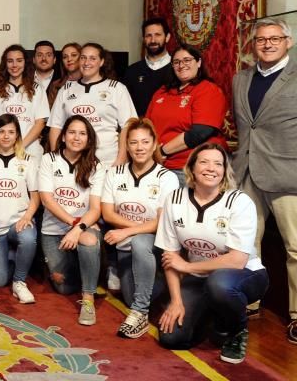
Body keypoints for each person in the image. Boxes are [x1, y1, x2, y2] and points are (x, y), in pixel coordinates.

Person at [157, 143, 268, 364]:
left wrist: (187, 267)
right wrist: (176, 301)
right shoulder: (175, 199)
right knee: (172, 338)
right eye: (204, 162)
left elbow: (237, 261)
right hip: (201, 278)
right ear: (192, 168)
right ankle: (214, 315)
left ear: (225, 170)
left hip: (244, 275)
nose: (211, 168)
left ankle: (237, 331)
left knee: (220, 283)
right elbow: (170, 256)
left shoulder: (239, 201)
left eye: (218, 163)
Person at [232, 18, 297, 342]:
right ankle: (250, 300)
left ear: (288, 42)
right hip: (246, 172)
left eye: (275, 38)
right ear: (253, 45)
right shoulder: (240, 79)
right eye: (261, 39)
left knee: (296, 248)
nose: (267, 44)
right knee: (246, 243)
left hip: (288, 175)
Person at [101, 118, 179, 338]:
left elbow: (162, 223)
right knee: (129, 295)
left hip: (153, 244)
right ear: (126, 146)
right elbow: (108, 213)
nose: (139, 147)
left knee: (140, 240)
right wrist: (138, 226)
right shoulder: (115, 174)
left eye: (145, 142)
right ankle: (163, 283)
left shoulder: (167, 178)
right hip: (125, 248)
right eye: (133, 142)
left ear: (154, 144)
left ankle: (140, 313)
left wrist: (128, 231)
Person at [39, 115, 105, 325]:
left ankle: (88, 298)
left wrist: (78, 229)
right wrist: (73, 224)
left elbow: (95, 209)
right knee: (63, 286)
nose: (77, 137)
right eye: (72, 132)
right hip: (54, 229)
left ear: (89, 139)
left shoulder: (96, 166)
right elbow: (47, 201)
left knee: (88, 241)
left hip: (83, 227)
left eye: (82, 133)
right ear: (64, 136)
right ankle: (89, 268)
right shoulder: (49, 159)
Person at [0, 114, 40, 303]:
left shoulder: (28, 161)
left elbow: (36, 197)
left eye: (11, 132)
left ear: (17, 136)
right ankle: (12, 256)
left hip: (17, 223)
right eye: (2, 131)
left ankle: (20, 282)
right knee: (0, 280)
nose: (6, 136)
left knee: (28, 237)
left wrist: (27, 217)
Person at [146, 45, 227, 185]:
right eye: (176, 62)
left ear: (199, 62)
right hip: (158, 167)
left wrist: (163, 152)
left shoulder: (208, 90)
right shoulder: (162, 91)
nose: (181, 65)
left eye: (187, 60)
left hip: (188, 168)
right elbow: (146, 126)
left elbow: (200, 132)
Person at [48, 42, 137, 167]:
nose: (86, 62)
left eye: (92, 58)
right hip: (73, 161)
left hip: (107, 160)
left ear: (101, 62)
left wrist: (122, 157)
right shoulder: (66, 89)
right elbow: (55, 126)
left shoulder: (117, 88)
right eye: (83, 58)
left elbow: (128, 126)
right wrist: (56, 157)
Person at [0, 44, 49, 170]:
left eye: (19, 61)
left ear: (25, 63)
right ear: (5, 64)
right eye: (10, 61)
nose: (14, 65)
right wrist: (5, 145)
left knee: (32, 189)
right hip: (2, 149)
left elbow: (40, 123)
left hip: (30, 149)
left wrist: (20, 146)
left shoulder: (37, 89)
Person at [123, 18, 173, 117]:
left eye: (158, 35)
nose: (153, 40)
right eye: (148, 36)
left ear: (167, 37)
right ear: (143, 39)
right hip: (139, 129)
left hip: (170, 130)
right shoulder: (132, 71)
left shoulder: (178, 69)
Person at [47, 43, 82, 109]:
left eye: (74, 55)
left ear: (82, 57)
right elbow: (51, 113)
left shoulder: (90, 81)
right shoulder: (56, 85)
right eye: (65, 57)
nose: (69, 59)